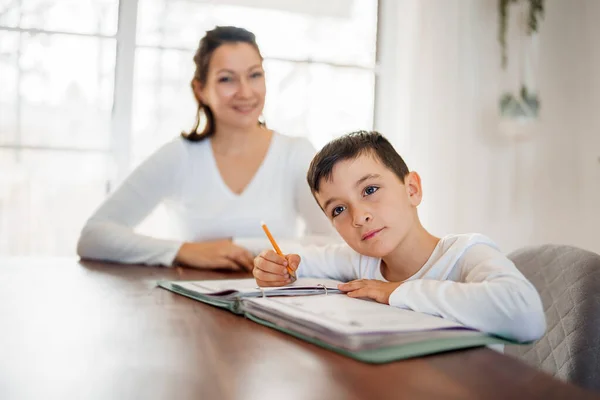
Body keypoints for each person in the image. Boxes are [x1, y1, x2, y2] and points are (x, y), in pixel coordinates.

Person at [77, 26, 336, 270]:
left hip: (278, 298)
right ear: (200, 90)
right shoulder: (179, 157)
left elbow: (335, 242)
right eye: (227, 79)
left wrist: (248, 248)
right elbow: (94, 236)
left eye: (255, 75)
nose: (245, 92)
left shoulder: (296, 154)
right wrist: (185, 251)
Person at [252, 130, 546, 342]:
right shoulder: (362, 261)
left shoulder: (466, 254)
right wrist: (279, 268)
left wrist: (395, 291)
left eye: (370, 190)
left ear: (412, 190)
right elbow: (303, 262)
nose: (359, 217)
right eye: (339, 209)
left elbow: (527, 315)